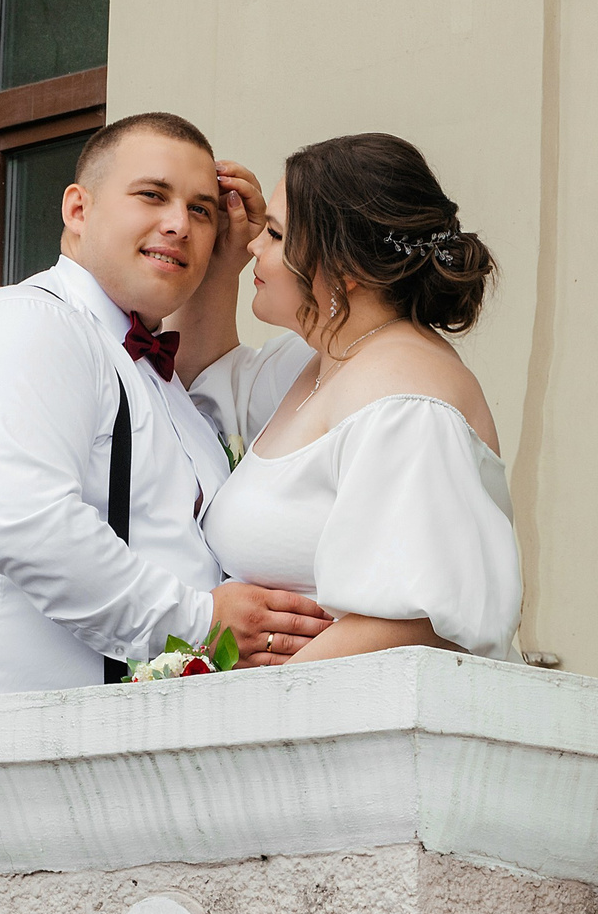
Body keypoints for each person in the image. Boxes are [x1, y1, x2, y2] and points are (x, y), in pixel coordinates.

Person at [0, 112, 332, 703]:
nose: (178, 224)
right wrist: (202, 621)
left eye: (201, 210)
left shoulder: (156, 376)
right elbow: (26, 524)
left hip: (97, 755)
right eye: (152, 195)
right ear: (78, 210)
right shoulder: (28, 324)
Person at [174, 133, 521, 664]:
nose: (253, 248)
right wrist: (220, 264)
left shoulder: (405, 399)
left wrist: (237, 712)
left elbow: (414, 621)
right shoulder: (324, 361)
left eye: (274, 234)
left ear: (346, 268)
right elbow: (202, 382)